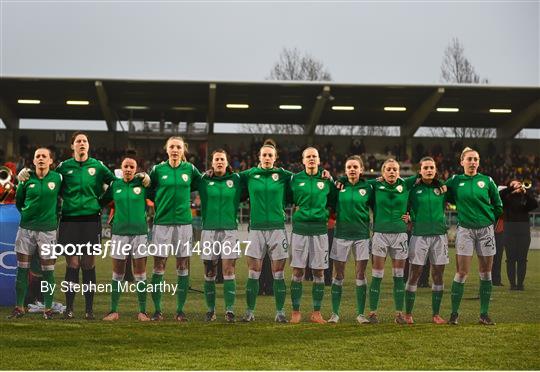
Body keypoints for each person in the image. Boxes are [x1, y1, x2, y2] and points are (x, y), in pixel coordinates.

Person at [55, 132, 119, 319]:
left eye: (84, 141)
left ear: (88, 146)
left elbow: (114, 183)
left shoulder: (97, 166)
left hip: (91, 219)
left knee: (88, 263)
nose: (81, 143)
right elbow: (52, 184)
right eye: (78, 141)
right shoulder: (63, 167)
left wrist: (101, 201)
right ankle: (69, 308)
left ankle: (89, 309)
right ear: (72, 146)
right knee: (72, 263)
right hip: (69, 219)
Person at [445, 147, 503, 325]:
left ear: (478, 162)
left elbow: (498, 204)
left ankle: (484, 314)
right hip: (465, 231)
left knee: (486, 272)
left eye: (475, 159)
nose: (472, 162)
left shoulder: (487, 181)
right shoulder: (455, 180)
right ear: (461, 162)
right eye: (469, 159)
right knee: (461, 272)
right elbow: (444, 194)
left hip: (485, 230)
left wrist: (490, 219)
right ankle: (454, 314)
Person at [147, 136, 201, 321]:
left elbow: (199, 184)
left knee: (182, 265)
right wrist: (160, 204)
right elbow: (148, 190)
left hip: (184, 224)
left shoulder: (190, 169)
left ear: (183, 150)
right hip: (162, 223)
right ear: (167, 149)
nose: (175, 150)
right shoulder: (157, 170)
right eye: (172, 147)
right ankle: (157, 310)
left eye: (178, 147)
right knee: (159, 265)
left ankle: (180, 310)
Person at [239, 140, 292, 323]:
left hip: (277, 228)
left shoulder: (283, 175)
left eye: (271, 155)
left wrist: (325, 175)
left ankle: (280, 312)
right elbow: (229, 178)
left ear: (275, 158)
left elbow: (303, 178)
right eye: (264, 155)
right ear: (259, 157)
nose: (267, 158)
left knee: (279, 273)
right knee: (253, 271)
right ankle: (249, 312)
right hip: (256, 229)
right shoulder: (249, 174)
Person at [10, 148, 61, 319]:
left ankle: (48, 308)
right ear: (33, 161)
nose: (41, 158)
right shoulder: (25, 179)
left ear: (50, 161)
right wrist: (28, 216)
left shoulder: (57, 178)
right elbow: (19, 202)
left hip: (48, 231)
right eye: (38, 156)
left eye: (44, 156)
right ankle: (19, 307)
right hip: (26, 230)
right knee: (22, 269)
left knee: (48, 271)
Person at [101, 156, 151, 321]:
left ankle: (142, 311)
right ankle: (113, 311)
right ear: (121, 169)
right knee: (118, 273)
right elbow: (101, 201)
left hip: (140, 233)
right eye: (126, 166)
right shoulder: (115, 185)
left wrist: (148, 179)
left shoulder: (142, 185)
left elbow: (159, 194)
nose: (128, 169)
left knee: (140, 273)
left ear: (136, 169)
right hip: (119, 233)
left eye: (132, 166)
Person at [196, 149, 243, 322]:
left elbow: (255, 175)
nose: (219, 162)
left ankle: (229, 310)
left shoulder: (236, 179)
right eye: (216, 159)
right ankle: (210, 310)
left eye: (222, 159)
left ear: (227, 161)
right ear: (212, 162)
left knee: (229, 270)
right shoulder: (203, 180)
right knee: (209, 271)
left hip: (230, 231)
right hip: (208, 231)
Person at [289, 147, 335, 324]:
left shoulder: (326, 180)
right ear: (303, 160)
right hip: (300, 229)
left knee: (319, 271)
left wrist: (327, 217)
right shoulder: (295, 179)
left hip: (319, 230)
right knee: (297, 270)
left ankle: (316, 312)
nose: (311, 159)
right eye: (308, 157)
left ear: (319, 159)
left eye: (314, 156)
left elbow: (334, 201)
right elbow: (287, 197)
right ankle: (295, 311)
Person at [367, 158, 415, 324]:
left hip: (400, 235)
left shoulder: (407, 185)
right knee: (377, 275)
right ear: (382, 172)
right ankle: (373, 312)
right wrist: (375, 179)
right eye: (388, 169)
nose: (392, 172)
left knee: (398, 276)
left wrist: (411, 216)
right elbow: (358, 181)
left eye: (395, 169)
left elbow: (424, 177)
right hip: (380, 234)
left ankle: (399, 314)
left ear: (399, 171)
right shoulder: (375, 185)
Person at [327, 155, 373, 324]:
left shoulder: (369, 187)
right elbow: (329, 204)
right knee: (338, 274)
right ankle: (334, 314)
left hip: (362, 236)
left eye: (355, 167)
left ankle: (361, 314)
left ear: (361, 169)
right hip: (341, 235)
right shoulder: (338, 187)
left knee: (360, 274)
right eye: (349, 167)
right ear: (345, 171)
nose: (352, 169)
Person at [404, 157, 449, 324]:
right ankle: (408, 314)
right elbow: (401, 190)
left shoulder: (443, 189)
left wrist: (441, 181)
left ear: (435, 170)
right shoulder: (413, 188)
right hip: (419, 235)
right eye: (426, 168)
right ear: (420, 170)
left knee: (438, 274)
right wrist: (409, 216)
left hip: (439, 235)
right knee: (414, 273)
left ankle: (436, 314)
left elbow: (451, 187)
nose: (429, 170)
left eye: (432, 168)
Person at [500, 180, 538, 290]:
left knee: (522, 259)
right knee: (510, 259)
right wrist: (511, 188)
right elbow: (499, 196)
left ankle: (520, 284)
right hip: (509, 230)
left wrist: (525, 193)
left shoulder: (523, 197)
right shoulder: (506, 198)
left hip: (523, 231)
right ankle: (512, 284)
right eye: (514, 184)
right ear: (509, 186)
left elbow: (534, 204)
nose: (518, 185)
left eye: (518, 184)